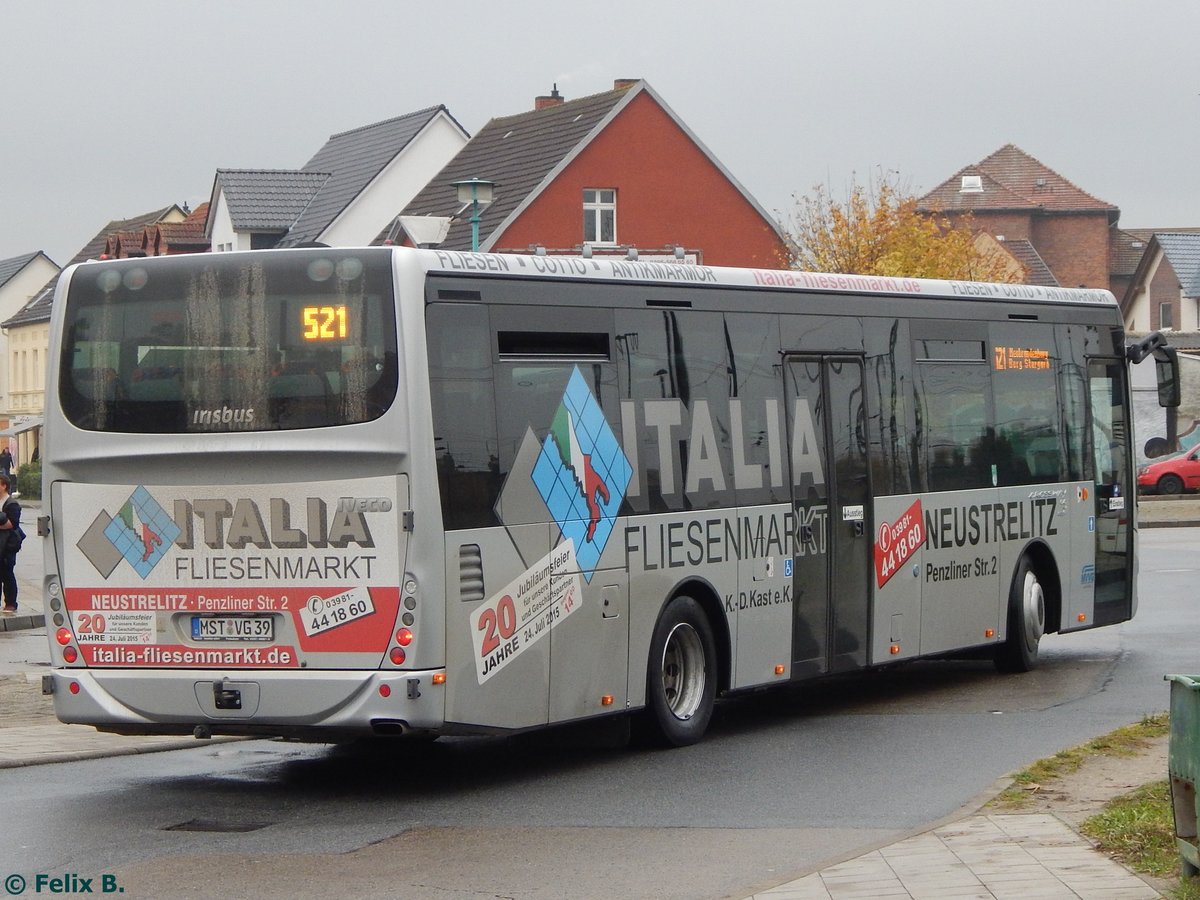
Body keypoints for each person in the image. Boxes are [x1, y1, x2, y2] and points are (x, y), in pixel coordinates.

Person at [0, 474, 21, 615]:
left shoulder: (11, 504)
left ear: (4, 486)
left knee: (7, 574)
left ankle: (11, 603)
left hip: (7, 546)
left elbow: (11, 524)